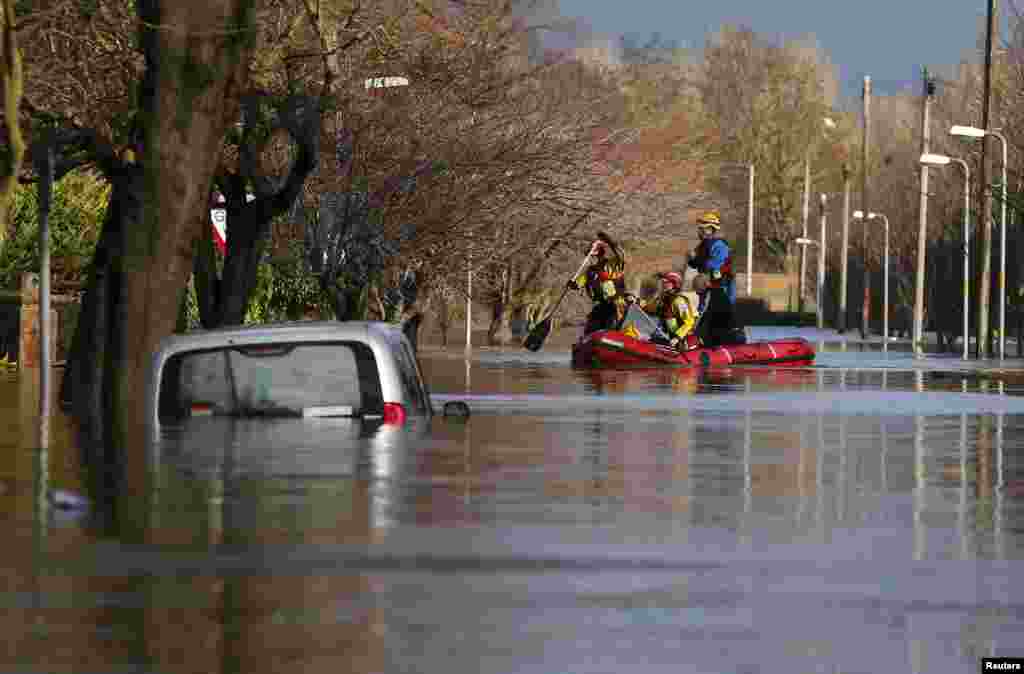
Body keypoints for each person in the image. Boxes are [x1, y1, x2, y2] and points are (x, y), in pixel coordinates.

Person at [567, 233, 627, 335]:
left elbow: (621, 256)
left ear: (599, 252)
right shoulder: (590, 271)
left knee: (611, 326)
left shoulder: (612, 265)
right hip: (601, 305)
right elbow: (578, 284)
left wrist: (609, 241)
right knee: (591, 327)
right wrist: (572, 284)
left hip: (615, 304)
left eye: (593, 251)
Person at [631, 271, 699, 350]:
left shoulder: (679, 301)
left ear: (674, 284)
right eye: (663, 282)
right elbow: (649, 308)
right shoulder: (663, 298)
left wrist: (677, 338)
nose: (663, 284)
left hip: (682, 340)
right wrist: (636, 301)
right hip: (668, 336)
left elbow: (689, 322)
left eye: (666, 282)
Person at [687, 210, 736, 310]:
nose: (699, 231)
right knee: (703, 309)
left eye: (702, 228)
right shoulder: (701, 246)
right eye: (699, 228)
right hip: (707, 287)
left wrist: (698, 260)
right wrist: (692, 259)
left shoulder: (719, 245)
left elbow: (715, 266)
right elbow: (695, 264)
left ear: (710, 229)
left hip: (721, 286)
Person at [692, 273, 745, 347]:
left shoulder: (710, 296)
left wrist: (693, 330)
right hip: (736, 334)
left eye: (699, 293)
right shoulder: (720, 292)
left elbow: (703, 316)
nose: (698, 295)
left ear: (702, 288)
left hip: (725, 337)